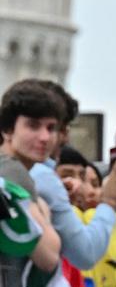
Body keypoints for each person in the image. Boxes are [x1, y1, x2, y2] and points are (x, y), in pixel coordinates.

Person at [27, 82, 116, 270]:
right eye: (57, 128)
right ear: (11, 128)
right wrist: (110, 202)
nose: (65, 138)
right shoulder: (42, 176)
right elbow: (85, 253)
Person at [0, 79, 61, 272]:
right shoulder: (11, 171)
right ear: (7, 130)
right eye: (33, 126)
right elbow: (49, 256)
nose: (44, 137)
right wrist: (42, 207)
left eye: (51, 128)